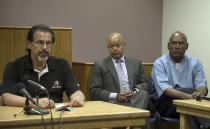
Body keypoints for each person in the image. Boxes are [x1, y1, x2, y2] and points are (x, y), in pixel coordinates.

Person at [2, 24, 85, 109]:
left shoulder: (62, 65)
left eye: (48, 43)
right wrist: (34, 102)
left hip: (55, 116)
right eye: (40, 42)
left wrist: (78, 97)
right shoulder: (14, 67)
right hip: (24, 115)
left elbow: (75, 91)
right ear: (28, 44)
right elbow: (6, 97)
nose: (45, 47)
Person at [90, 32, 150, 129]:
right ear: (107, 47)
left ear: (124, 45)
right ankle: (134, 123)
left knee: (143, 94)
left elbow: (144, 84)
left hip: (134, 101)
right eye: (111, 46)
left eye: (118, 45)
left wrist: (134, 91)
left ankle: (132, 120)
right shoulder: (100, 65)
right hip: (114, 104)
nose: (115, 49)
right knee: (142, 115)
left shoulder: (135, 63)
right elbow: (94, 91)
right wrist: (116, 96)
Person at [151, 31, 210, 129]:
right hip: (167, 104)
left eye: (181, 43)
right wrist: (187, 96)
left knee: (190, 110)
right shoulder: (160, 63)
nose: (177, 46)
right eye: (174, 43)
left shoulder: (195, 63)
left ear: (186, 46)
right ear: (168, 46)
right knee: (191, 96)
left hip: (190, 102)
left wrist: (200, 93)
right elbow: (166, 90)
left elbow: (202, 85)